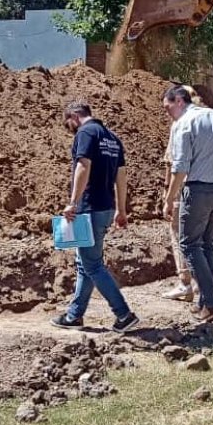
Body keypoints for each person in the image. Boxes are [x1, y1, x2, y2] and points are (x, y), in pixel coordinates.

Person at [51, 101, 139, 333]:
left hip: (89, 207)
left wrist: (72, 202)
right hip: (106, 207)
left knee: (93, 264)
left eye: (67, 123)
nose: (69, 128)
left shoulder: (86, 132)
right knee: (85, 264)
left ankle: (124, 314)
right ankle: (74, 316)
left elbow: (83, 166)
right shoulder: (112, 138)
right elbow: (122, 175)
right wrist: (121, 209)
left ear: (74, 116)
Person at [162, 84, 213, 321]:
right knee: (207, 244)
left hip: (198, 190)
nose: (167, 113)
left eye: (167, 107)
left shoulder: (183, 124)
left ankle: (212, 302)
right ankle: (204, 300)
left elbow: (180, 167)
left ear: (179, 101)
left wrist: (169, 199)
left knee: (189, 244)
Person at [160, 86, 205, 301]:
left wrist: (168, 193)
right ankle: (202, 284)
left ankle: (186, 283)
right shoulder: (206, 122)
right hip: (204, 186)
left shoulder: (180, 125)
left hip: (183, 187)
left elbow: (173, 162)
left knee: (179, 233)